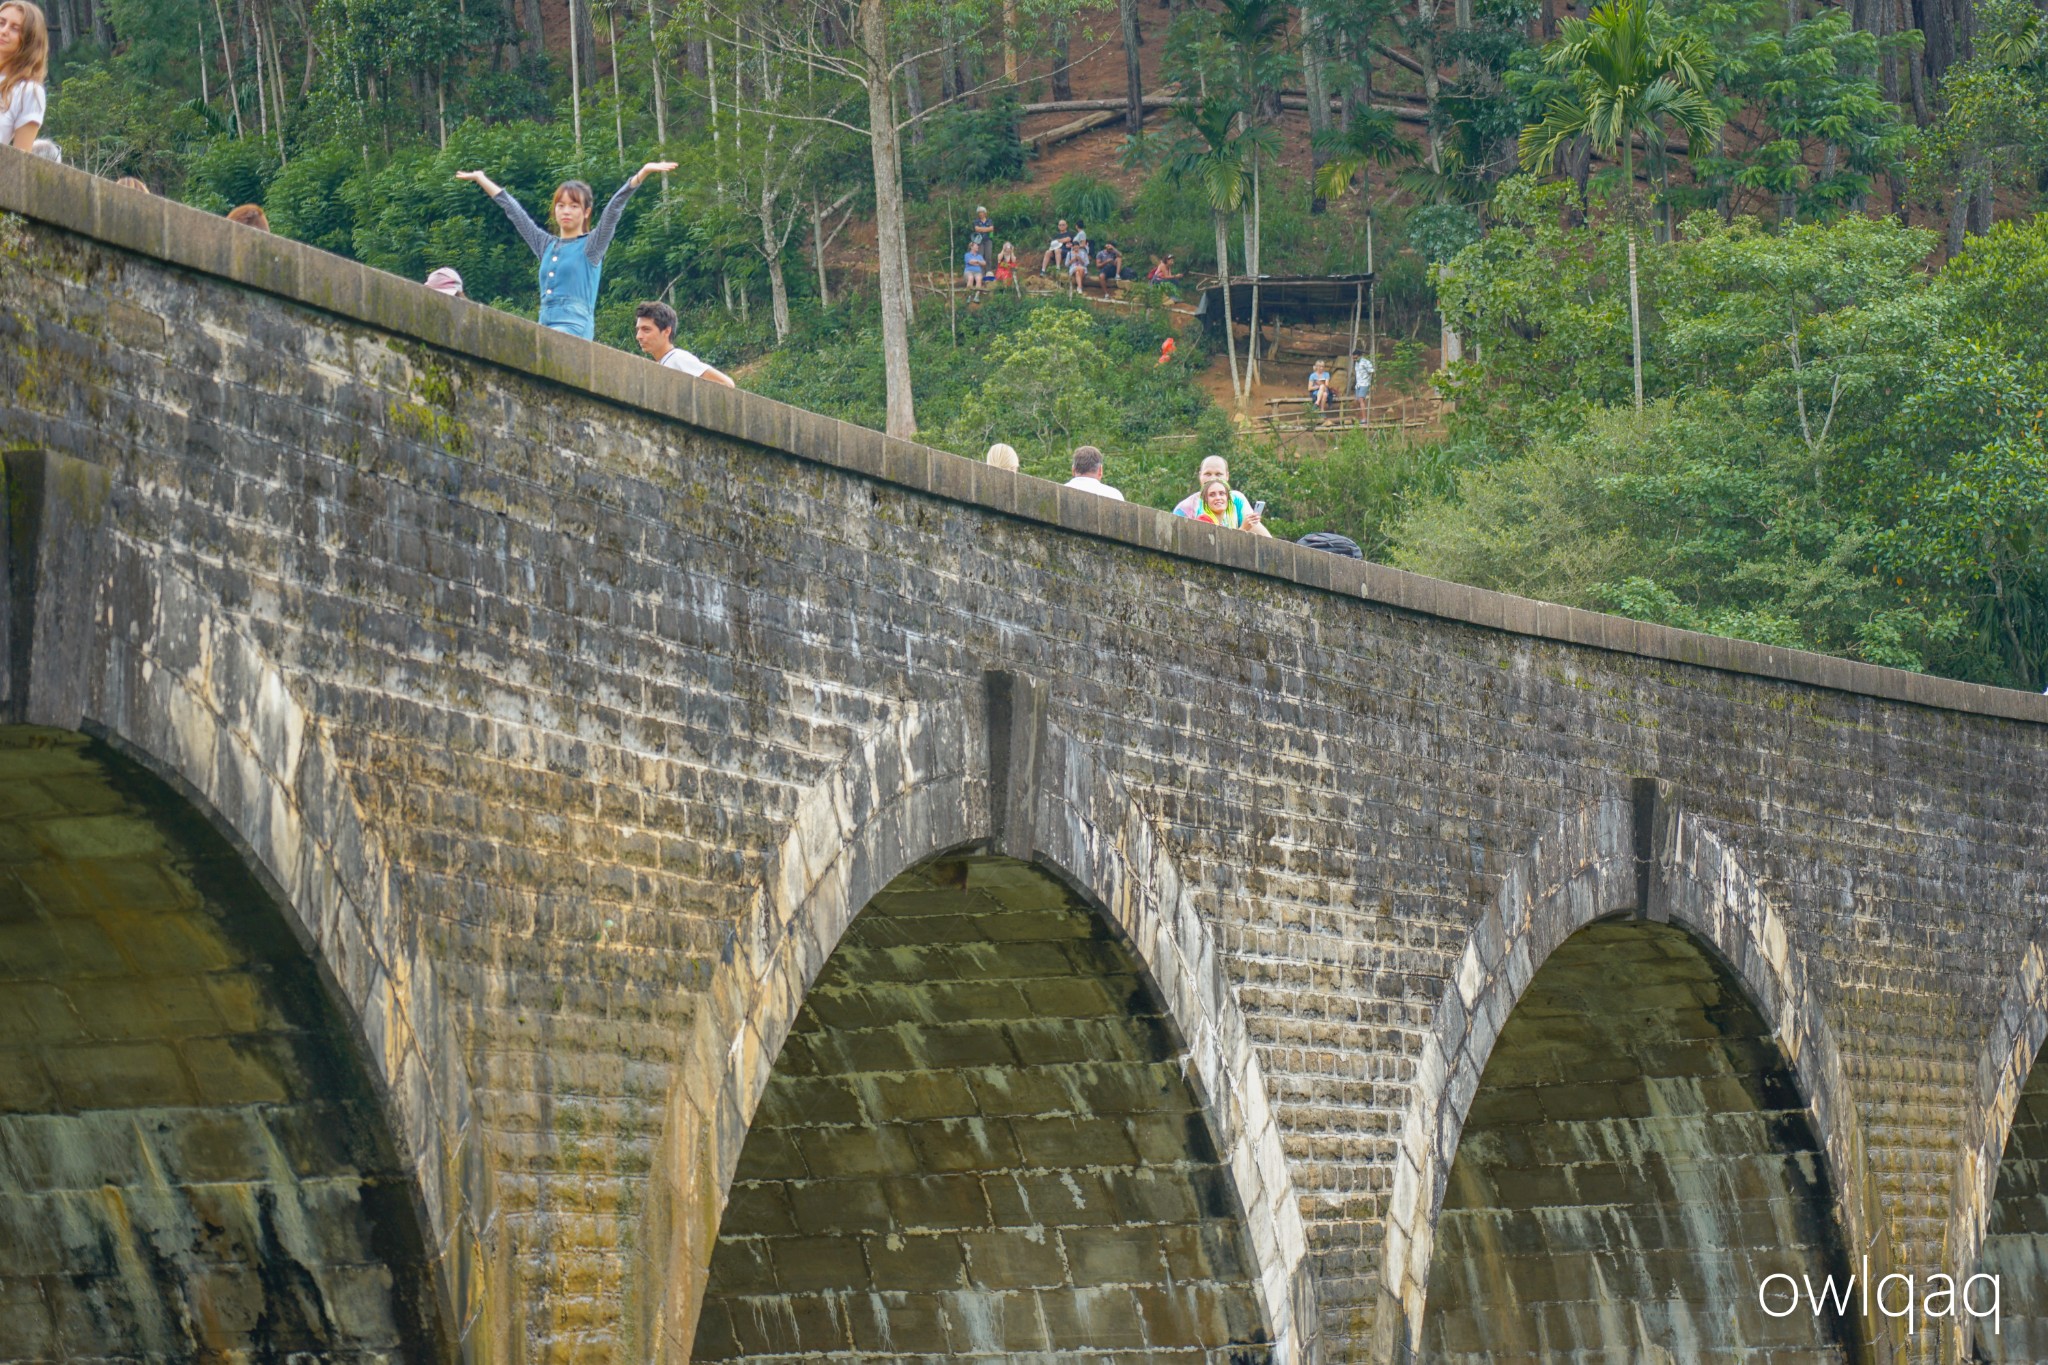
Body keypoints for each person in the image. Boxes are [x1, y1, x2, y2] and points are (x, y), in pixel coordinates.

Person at [456, 160, 677, 340]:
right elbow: (514, 211)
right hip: (545, 323)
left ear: (586, 212)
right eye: (561, 206)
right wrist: (481, 178)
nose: (566, 211)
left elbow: (613, 209)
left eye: (573, 206)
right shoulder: (545, 244)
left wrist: (642, 174)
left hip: (575, 326)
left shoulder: (592, 245)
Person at [633, 300, 736, 387]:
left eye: (646, 330)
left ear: (666, 331)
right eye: (638, 330)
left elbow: (726, 384)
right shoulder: (662, 363)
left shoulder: (678, 358)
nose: (639, 336)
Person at [0, 1, 46, 153]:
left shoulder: (28, 91)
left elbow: (20, 161)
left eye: (15, 28)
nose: (4, 31)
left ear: (29, 39)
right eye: (1, 23)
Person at [1192, 478, 1270, 535]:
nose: (1218, 498)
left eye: (1222, 493)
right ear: (1206, 500)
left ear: (1228, 498)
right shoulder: (1203, 520)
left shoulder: (1222, 525)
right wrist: (1243, 529)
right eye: (1212, 495)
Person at [1351, 350, 1376, 424]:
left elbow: (1372, 371)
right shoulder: (1356, 363)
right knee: (1357, 400)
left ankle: (1364, 419)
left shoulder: (1365, 362)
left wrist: (1372, 383)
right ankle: (1361, 417)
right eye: (1353, 358)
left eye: (1355, 358)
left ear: (1359, 356)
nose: (1354, 360)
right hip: (1358, 384)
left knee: (1361, 399)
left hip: (1364, 383)